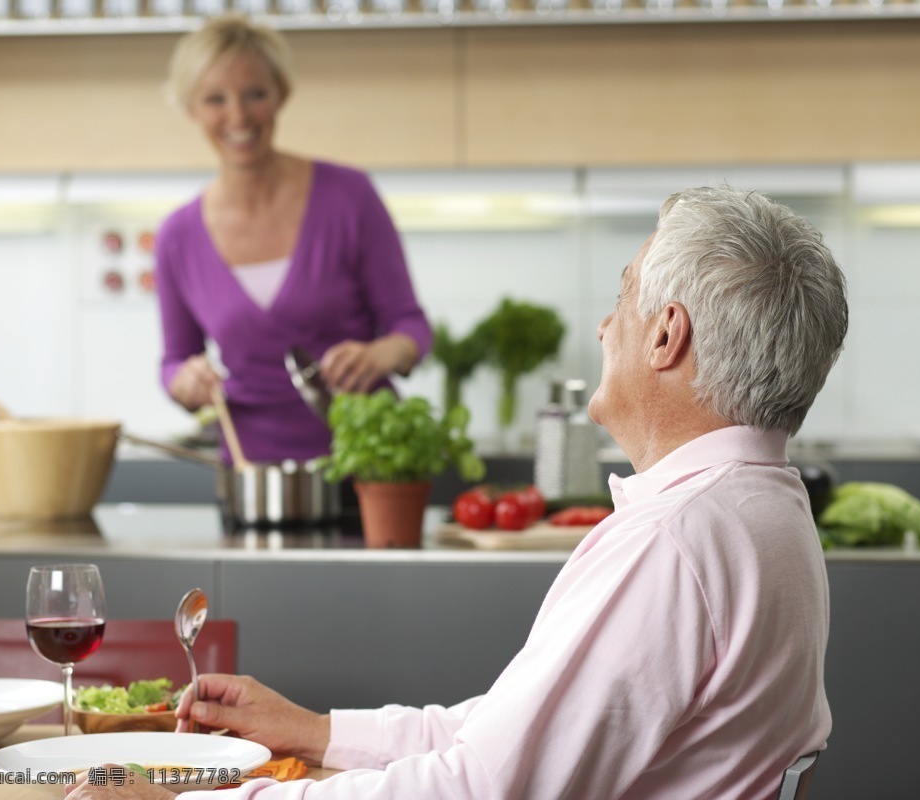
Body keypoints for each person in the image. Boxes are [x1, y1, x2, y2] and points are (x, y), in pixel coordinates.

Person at [64, 185, 848, 799]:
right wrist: (316, 731)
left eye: (625, 296)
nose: (607, 329)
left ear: (666, 336)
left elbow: (484, 787)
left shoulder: (672, 543)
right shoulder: (766, 507)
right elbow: (516, 737)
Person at [156, 15, 431, 463]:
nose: (238, 116)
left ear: (281, 94)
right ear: (191, 108)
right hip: (251, 476)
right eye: (215, 99)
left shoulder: (349, 197)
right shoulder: (176, 236)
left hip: (367, 461)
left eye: (255, 94)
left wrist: (383, 353)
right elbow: (174, 360)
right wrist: (183, 382)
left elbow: (411, 327)